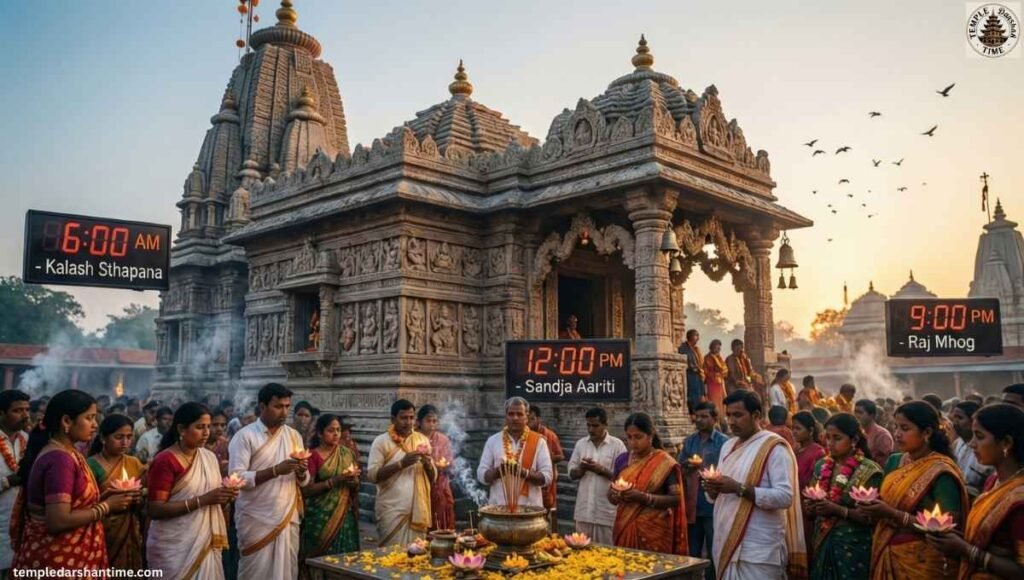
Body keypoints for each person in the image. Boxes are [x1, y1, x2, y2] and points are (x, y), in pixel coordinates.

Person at [11, 390, 139, 572]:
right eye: (89, 418)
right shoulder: (59, 459)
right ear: (66, 421)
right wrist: (107, 506)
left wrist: (104, 498)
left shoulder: (68, 452)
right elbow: (58, 520)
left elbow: (74, 506)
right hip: (58, 560)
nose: (95, 425)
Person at [703, 390, 807, 580]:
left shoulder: (774, 448)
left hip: (759, 548)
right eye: (729, 415)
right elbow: (718, 495)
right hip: (726, 540)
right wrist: (712, 491)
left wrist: (739, 488)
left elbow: (785, 497)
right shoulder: (728, 446)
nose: (732, 421)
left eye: (738, 415)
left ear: (757, 415)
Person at [859, 401, 968, 580]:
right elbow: (882, 500)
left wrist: (892, 514)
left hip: (923, 562)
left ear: (927, 433)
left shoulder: (941, 471)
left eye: (905, 428)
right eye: (895, 427)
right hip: (885, 550)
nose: (897, 433)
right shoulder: (894, 461)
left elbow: (948, 530)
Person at [926, 404, 1024, 579]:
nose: (971, 444)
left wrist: (965, 549)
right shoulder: (992, 481)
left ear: (1007, 442)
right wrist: (956, 540)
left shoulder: (1020, 498)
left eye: (979, 436)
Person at [229, 383, 311, 579]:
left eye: (286, 406)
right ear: (262, 407)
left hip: (286, 517)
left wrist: (301, 472)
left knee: (286, 572)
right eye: (278, 406)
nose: (284, 412)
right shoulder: (244, 437)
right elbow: (236, 477)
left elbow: (304, 480)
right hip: (256, 519)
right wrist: (275, 470)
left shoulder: (293, 436)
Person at [148, 402, 238, 579]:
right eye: (199, 427)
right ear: (182, 429)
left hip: (204, 542)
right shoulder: (165, 460)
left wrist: (226, 496)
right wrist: (203, 500)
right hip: (175, 546)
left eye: (207, 426)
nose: (206, 432)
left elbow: (213, 498)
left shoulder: (209, 457)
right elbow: (155, 509)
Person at [804, 413, 883, 580]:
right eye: (828, 438)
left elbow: (871, 518)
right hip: (822, 540)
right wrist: (810, 508)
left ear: (854, 440)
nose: (830, 443)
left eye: (837, 438)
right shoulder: (821, 466)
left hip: (853, 547)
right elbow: (810, 507)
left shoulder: (870, 471)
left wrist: (838, 510)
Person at [609, 412, 687, 555]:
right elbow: (611, 494)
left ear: (650, 436)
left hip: (654, 529)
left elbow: (675, 498)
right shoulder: (622, 460)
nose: (633, 442)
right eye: (629, 437)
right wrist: (614, 495)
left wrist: (644, 497)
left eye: (638, 437)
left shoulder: (664, 462)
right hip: (624, 525)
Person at [368, 399, 436, 546]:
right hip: (391, 510)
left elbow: (433, 477)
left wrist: (428, 464)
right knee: (390, 557)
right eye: (403, 418)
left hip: (417, 510)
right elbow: (372, 475)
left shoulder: (422, 440)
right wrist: (401, 464)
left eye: (411, 418)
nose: (409, 422)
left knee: (416, 556)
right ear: (393, 419)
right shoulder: (381, 442)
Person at [300, 414, 361, 573]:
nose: (336, 434)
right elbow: (306, 490)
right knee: (321, 562)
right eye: (330, 430)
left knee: (344, 560)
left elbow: (356, 485)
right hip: (320, 516)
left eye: (338, 430)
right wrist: (335, 480)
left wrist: (353, 482)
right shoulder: (313, 455)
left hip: (344, 517)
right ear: (320, 433)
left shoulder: (347, 453)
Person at [86, 414, 144, 571]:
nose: (125, 442)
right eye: (119, 437)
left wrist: (139, 498)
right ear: (103, 439)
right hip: (101, 529)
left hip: (129, 529)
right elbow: (85, 503)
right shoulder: (90, 465)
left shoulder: (134, 463)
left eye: (129, 437)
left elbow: (144, 498)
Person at [478, 397, 553, 510]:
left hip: (529, 509)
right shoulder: (493, 441)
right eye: (511, 414)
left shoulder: (538, 442)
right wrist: (498, 472)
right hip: (499, 508)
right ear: (506, 416)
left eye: (519, 414)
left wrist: (524, 473)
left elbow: (547, 477)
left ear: (526, 417)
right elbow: (481, 474)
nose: (515, 418)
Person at [680, 402, 727, 576]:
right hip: (693, 505)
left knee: (715, 552)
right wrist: (688, 465)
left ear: (714, 419)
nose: (699, 420)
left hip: (714, 506)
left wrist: (705, 467)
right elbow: (681, 467)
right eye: (697, 416)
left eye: (704, 417)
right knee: (692, 553)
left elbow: (727, 470)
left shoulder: (724, 443)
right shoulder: (690, 441)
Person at [568, 407, 627, 545]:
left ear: (605, 425)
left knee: (607, 555)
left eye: (595, 425)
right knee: (581, 553)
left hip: (606, 513)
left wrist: (601, 470)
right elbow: (571, 473)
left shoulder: (617, 445)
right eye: (588, 425)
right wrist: (582, 468)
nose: (591, 429)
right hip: (584, 512)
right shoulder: (581, 444)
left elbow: (624, 478)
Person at [0, 390, 30, 575]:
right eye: (18, 410)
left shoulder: (26, 440)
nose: (25, 415)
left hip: (20, 523)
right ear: (1, 413)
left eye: (27, 409)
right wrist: (7, 481)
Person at [416, 405, 455, 531]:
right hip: (420, 486)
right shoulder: (413, 439)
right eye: (428, 420)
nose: (432, 424)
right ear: (419, 422)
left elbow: (451, 465)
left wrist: (444, 466)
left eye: (434, 421)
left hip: (440, 487)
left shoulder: (443, 439)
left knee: (441, 524)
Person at [949, 401, 993, 499]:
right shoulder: (957, 443)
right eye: (953, 418)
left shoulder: (987, 448)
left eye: (960, 418)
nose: (955, 422)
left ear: (973, 421)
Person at [527, 405, 564, 515]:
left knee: (547, 507)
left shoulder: (550, 435)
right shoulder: (523, 434)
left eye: (532, 419)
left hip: (545, 480)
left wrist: (546, 458)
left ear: (539, 419)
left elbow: (560, 456)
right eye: (527, 419)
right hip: (529, 477)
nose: (529, 422)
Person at [853, 399, 894, 467]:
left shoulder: (882, 435)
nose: (856, 415)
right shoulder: (855, 432)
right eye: (855, 412)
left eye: (860, 412)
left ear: (872, 415)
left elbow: (883, 464)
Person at [679, 329, 707, 415]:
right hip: (689, 375)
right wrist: (693, 367)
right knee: (692, 396)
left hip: (698, 376)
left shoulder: (696, 349)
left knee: (700, 395)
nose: (697, 338)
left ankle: (699, 413)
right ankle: (693, 414)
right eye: (696, 335)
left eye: (698, 336)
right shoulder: (683, 348)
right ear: (690, 336)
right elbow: (684, 361)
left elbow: (701, 363)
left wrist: (699, 370)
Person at [704, 339, 729, 424]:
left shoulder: (719, 357)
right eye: (716, 347)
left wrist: (721, 373)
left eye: (719, 347)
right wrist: (717, 374)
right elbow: (707, 371)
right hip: (712, 383)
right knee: (714, 402)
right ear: (712, 347)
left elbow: (725, 369)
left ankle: (722, 421)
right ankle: (715, 421)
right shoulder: (708, 357)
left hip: (720, 383)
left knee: (722, 402)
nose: (718, 349)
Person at [207, 408, 231, 476]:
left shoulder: (225, 443)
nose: (219, 429)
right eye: (215, 425)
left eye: (222, 425)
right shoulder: (199, 446)